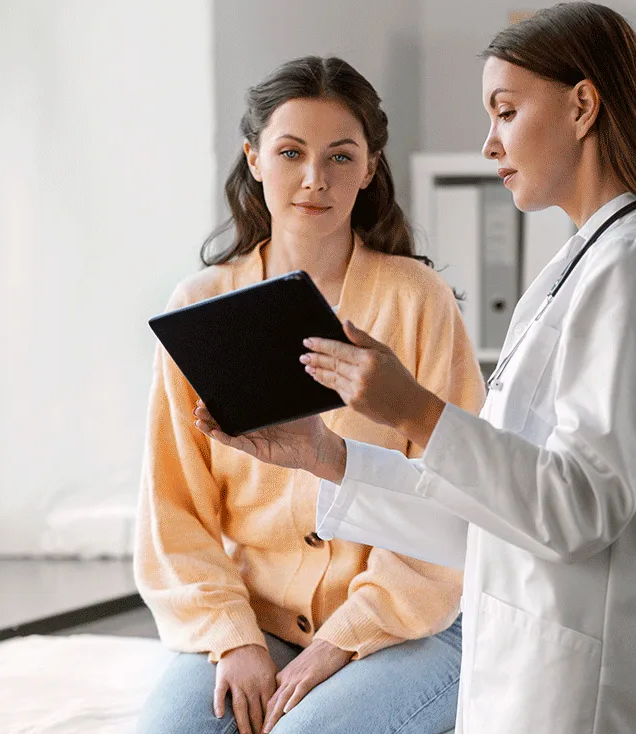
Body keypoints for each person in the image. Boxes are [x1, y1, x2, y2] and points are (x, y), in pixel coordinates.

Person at [194, 3, 636, 732]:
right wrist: (328, 456)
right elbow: (492, 516)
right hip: (538, 669)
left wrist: (412, 410)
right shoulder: (579, 268)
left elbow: (580, 510)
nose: (489, 143)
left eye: (506, 112)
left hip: (603, 690)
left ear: (582, 106)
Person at [136, 56, 485, 734]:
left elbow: (457, 493)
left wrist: (338, 642)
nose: (314, 179)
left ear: (371, 166)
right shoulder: (201, 306)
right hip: (254, 618)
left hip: (413, 619)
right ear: (254, 158)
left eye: (340, 157)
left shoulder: (418, 301)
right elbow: (172, 509)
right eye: (291, 152)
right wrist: (233, 637)